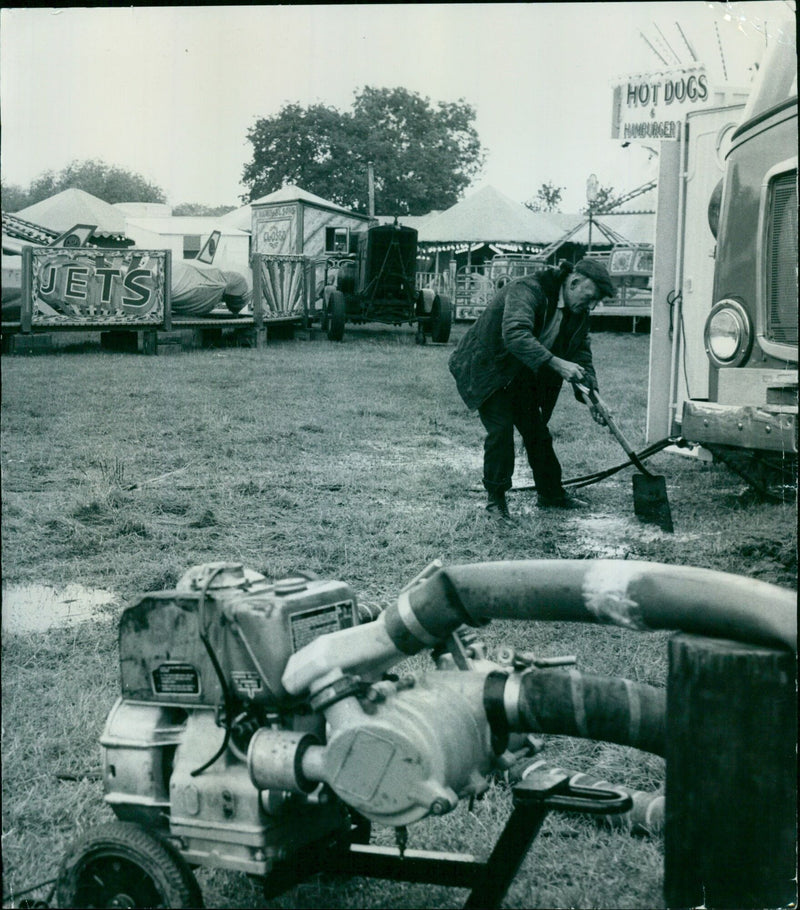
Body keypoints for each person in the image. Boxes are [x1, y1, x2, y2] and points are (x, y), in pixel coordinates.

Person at [448, 258, 615, 520]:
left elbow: (582, 357)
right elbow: (515, 335)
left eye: (596, 302)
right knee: (501, 430)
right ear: (573, 282)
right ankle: (496, 501)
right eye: (590, 297)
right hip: (487, 368)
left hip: (520, 373)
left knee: (537, 432)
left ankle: (551, 494)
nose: (591, 306)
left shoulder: (579, 313)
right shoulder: (528, 290)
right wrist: (556, 363)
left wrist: (594, 397)